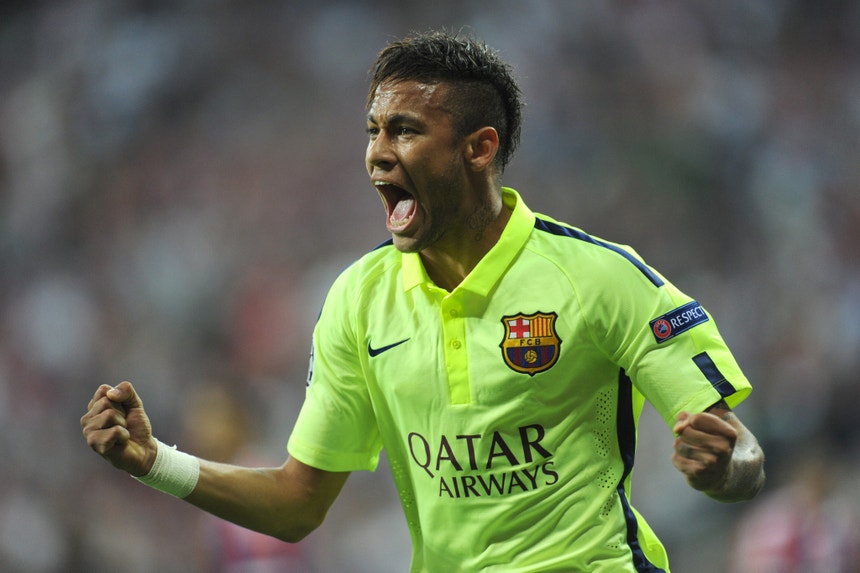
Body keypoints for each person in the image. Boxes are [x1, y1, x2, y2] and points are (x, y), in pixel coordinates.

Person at [81, 30, 765, 572]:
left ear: (479, 148)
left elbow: (745, 458)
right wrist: (154, 461)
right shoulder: (358, 300)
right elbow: (297, 503)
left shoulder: (601, 279)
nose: (377, 154)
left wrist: (721, 469)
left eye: (404, 130)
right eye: (372, 131)